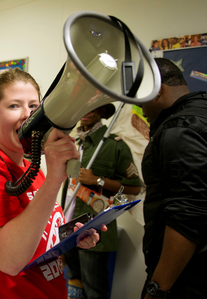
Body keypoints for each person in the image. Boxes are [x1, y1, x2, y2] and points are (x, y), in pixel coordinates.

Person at [0, 68, 107, 299]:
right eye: (14, 106)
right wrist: (54, 180)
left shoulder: (28, 166)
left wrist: (69, 236)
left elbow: (34, 229)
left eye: (34, 107)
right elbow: (9, 261)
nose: (27, 115)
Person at [140, 58, 207, 298]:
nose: (141, 110)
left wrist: (157, 289)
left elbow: (187, 217)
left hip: (191, 280)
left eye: (140, 100)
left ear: (156, 92)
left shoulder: (180, 129)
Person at [62, 105, 142, 299]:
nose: (86, 112)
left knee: (94, 290)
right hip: (67, 226)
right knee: (73, 284)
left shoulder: (114, 145)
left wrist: (98, 180)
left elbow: (135, 187)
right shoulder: (73, 143)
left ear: (101, 112)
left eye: (93, 108)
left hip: (93, 230)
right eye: (84, 107)